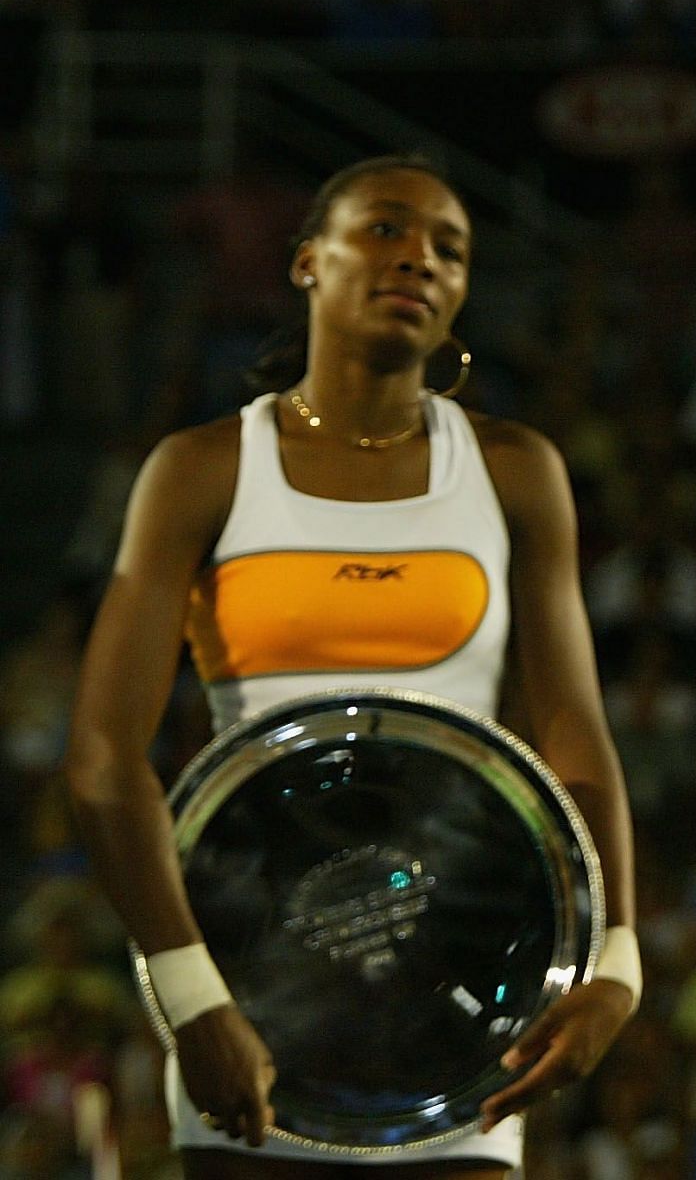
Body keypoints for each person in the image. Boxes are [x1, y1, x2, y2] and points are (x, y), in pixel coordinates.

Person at [63, 155, 642, 1177]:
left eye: (449, 247)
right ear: (305, 264)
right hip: (248, 990)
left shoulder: (517, 470)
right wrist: (191, 996)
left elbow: (574, 739)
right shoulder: (199, 470)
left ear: (462, 291)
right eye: (383, 229)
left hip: (464, 997)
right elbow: (105, 758)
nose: (417, 255)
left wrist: (618, 963)